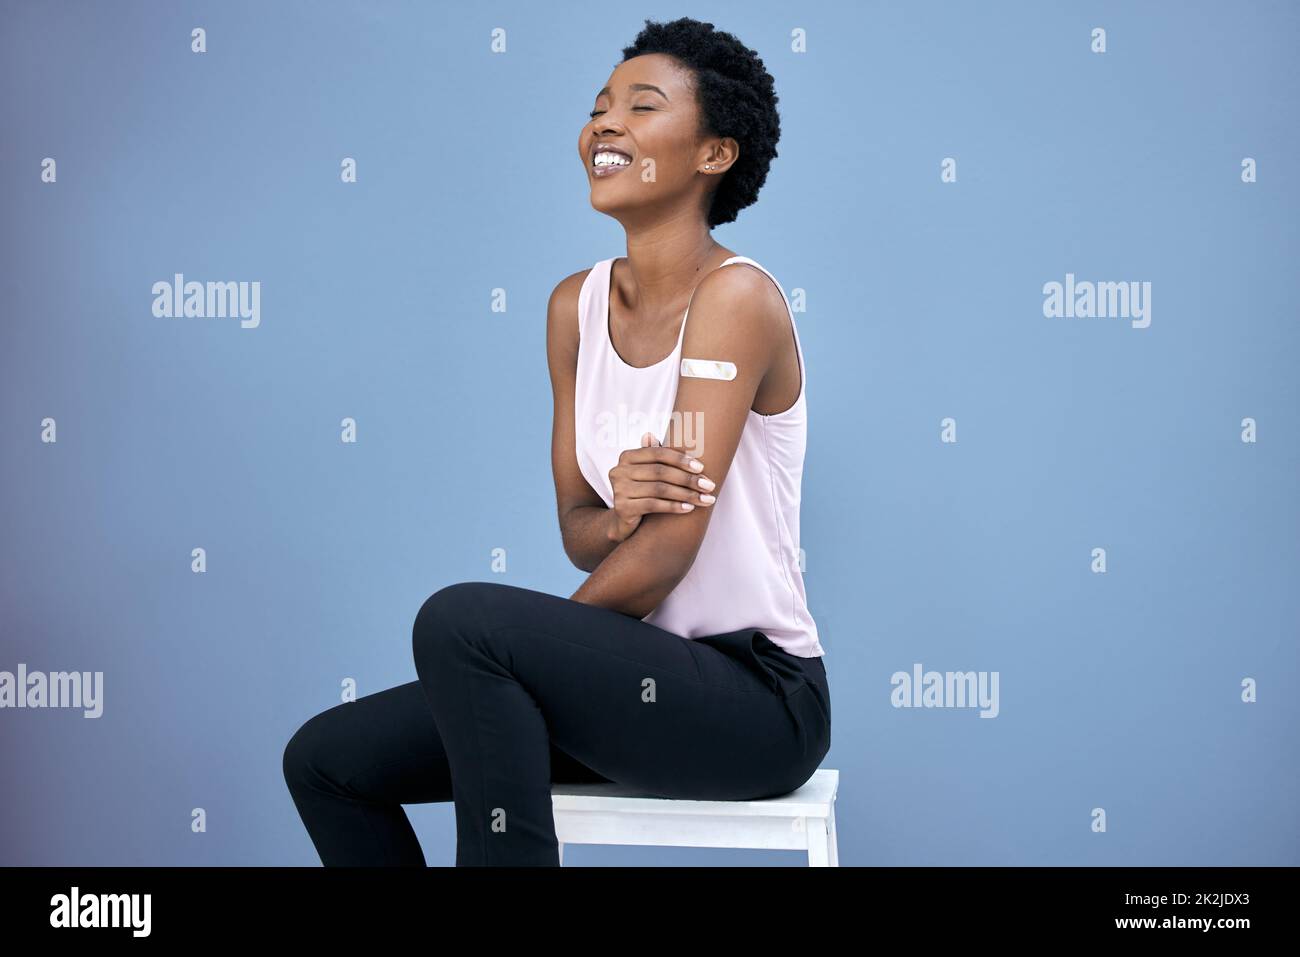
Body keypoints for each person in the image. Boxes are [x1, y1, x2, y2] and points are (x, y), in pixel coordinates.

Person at [283, 15, 830, 867]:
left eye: (642, 107)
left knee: (460, 622)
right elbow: (579, 526)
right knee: (327, 761)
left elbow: (671, 551)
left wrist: (538, 656)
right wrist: (615, 520)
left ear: (714, 154)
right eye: (599, 106)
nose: (604, 124)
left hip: (754, 701)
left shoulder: (736, 300)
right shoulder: (571, 309)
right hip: (632, 683)